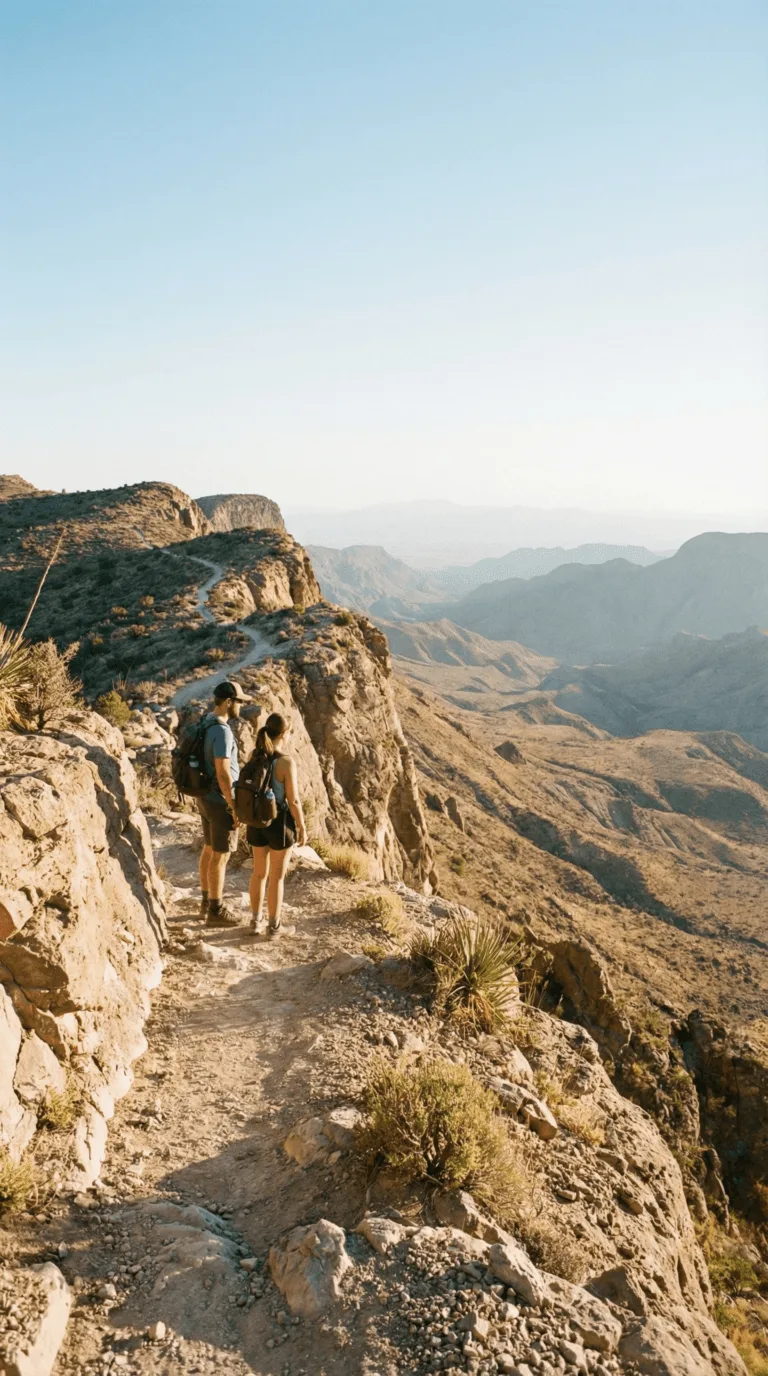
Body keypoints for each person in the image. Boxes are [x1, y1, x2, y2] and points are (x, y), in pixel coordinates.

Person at [247, 712, 307, 937]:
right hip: (279, 824)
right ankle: (274, 926)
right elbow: (293, 800)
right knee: (277, 877)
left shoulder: (255, 754)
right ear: (284, 734)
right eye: (289, 732)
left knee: (258, 873)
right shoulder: (285, 762)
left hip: (256, 821)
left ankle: (255, 922)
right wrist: (301, 826)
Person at [197, 680, 251, 927]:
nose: (241, 705)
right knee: (221, 856)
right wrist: (233, 804)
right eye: (239, 701)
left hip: (205, 797)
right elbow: (223, 772)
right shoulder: (223, 731)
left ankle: (206, 901)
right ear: (228, 702)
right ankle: (216, 911)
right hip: (220, 801)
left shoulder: (205, 723)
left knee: (209, 848)